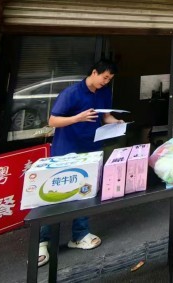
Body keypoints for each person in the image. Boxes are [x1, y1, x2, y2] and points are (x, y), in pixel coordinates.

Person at [38, 59, 123, 268]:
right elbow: (53, 120)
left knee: (86, 191)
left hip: (91, 148)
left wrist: (118, 123)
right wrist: (77, 118)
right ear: (94, 72)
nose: (106, 82)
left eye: (110, 79)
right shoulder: (72, 93)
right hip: (66, 149)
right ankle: (42, 241)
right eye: (104, 77)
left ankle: (80, 234)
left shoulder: (104, 93)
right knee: (54, 194)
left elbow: (105, 117)